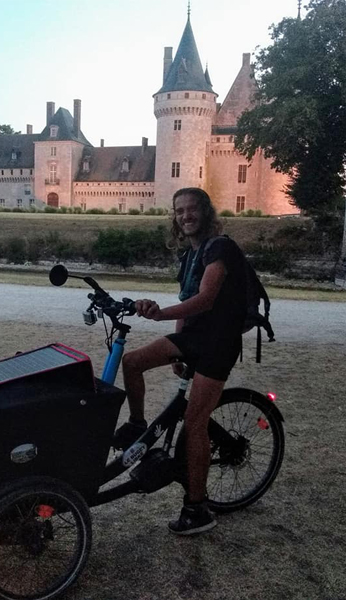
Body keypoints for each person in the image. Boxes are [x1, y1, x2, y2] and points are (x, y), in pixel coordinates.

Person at [115, 187, 248, 535]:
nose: (185, 216)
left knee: (194, 422)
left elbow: (205, 300)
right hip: (194, 337)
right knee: (132, 362)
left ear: (205, 212)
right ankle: (136, 424)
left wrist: (159, 316)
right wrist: (176, 344)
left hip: (219, 343)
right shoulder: (189, 256)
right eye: (179, 211)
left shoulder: (219, 247)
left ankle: (198, 508)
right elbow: (188, 300)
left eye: (192, 210)